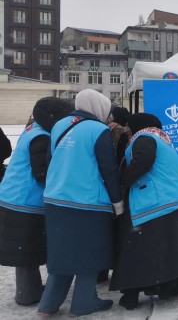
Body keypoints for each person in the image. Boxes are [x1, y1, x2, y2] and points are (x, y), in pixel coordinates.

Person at [38, 89, 123, 317]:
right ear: (98, 107)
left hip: (55, 199)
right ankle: (84, 302)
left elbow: (50, 160)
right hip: (87, 202)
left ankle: (48, 305)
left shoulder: (60, 125)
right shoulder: (98, 130)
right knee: (89, 252)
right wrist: (118, 202)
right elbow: (108, 170)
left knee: (61, 252)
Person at [110, 113, 178, 310]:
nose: (126, 129)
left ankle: (131, 292)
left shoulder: (144, 138)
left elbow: (143, 162)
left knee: (137, 248)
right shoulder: (162, 139)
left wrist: (122, 182)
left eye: (128, 126)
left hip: (153, 201)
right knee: (172, 246)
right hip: (174, 198)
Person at [0, 98, 73, 306]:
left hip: (14, 196)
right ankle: (27, 294)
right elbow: (41, 173)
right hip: (24, 200)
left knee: (26, 250)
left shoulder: (33, 129)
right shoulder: (41, 137)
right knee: (27, 250)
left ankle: (29, 290)